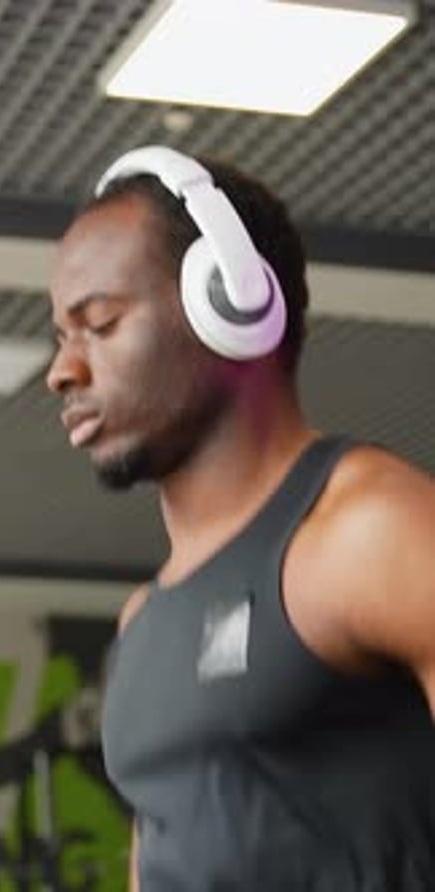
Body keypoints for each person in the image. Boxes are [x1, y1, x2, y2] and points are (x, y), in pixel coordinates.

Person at [46, 145, 435, 892]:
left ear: (231, 303)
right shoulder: (144, 623)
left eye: (99, 324)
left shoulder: (371, 532)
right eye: (61, 336)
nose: (65, 370)